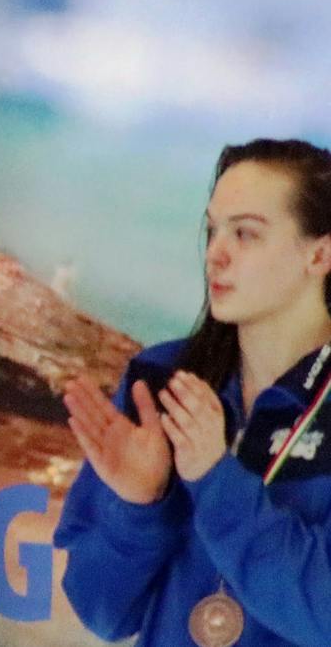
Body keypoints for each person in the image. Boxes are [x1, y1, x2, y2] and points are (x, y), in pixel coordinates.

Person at [55, 138, 331, 647]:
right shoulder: (161, 381)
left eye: (245, 234)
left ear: (319, 254)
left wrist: (213, 477)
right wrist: (139, 506)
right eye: (212, 230)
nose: (215, 255)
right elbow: (101, 613)